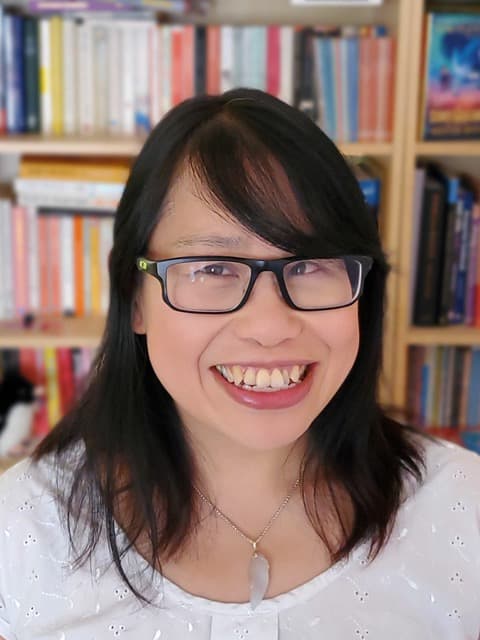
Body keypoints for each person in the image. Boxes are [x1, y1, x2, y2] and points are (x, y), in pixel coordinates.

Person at [0, 88, 479, 640]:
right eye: (211, 268)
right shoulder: (24, 533)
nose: (270, 326)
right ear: (135, 299)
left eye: (310, 264)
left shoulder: (463, 509)